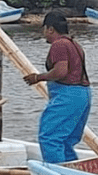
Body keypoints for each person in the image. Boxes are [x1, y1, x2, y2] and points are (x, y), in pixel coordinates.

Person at [23, 11, 92, 162]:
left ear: (51, 29)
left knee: (50, 137)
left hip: (68, 95)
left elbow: (61, 71)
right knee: (66, 141)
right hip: (83, 95)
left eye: (45, 30)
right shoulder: (75, 44)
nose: (44, 34)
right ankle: (73, 173)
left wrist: (38, 77)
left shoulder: (59, 45)